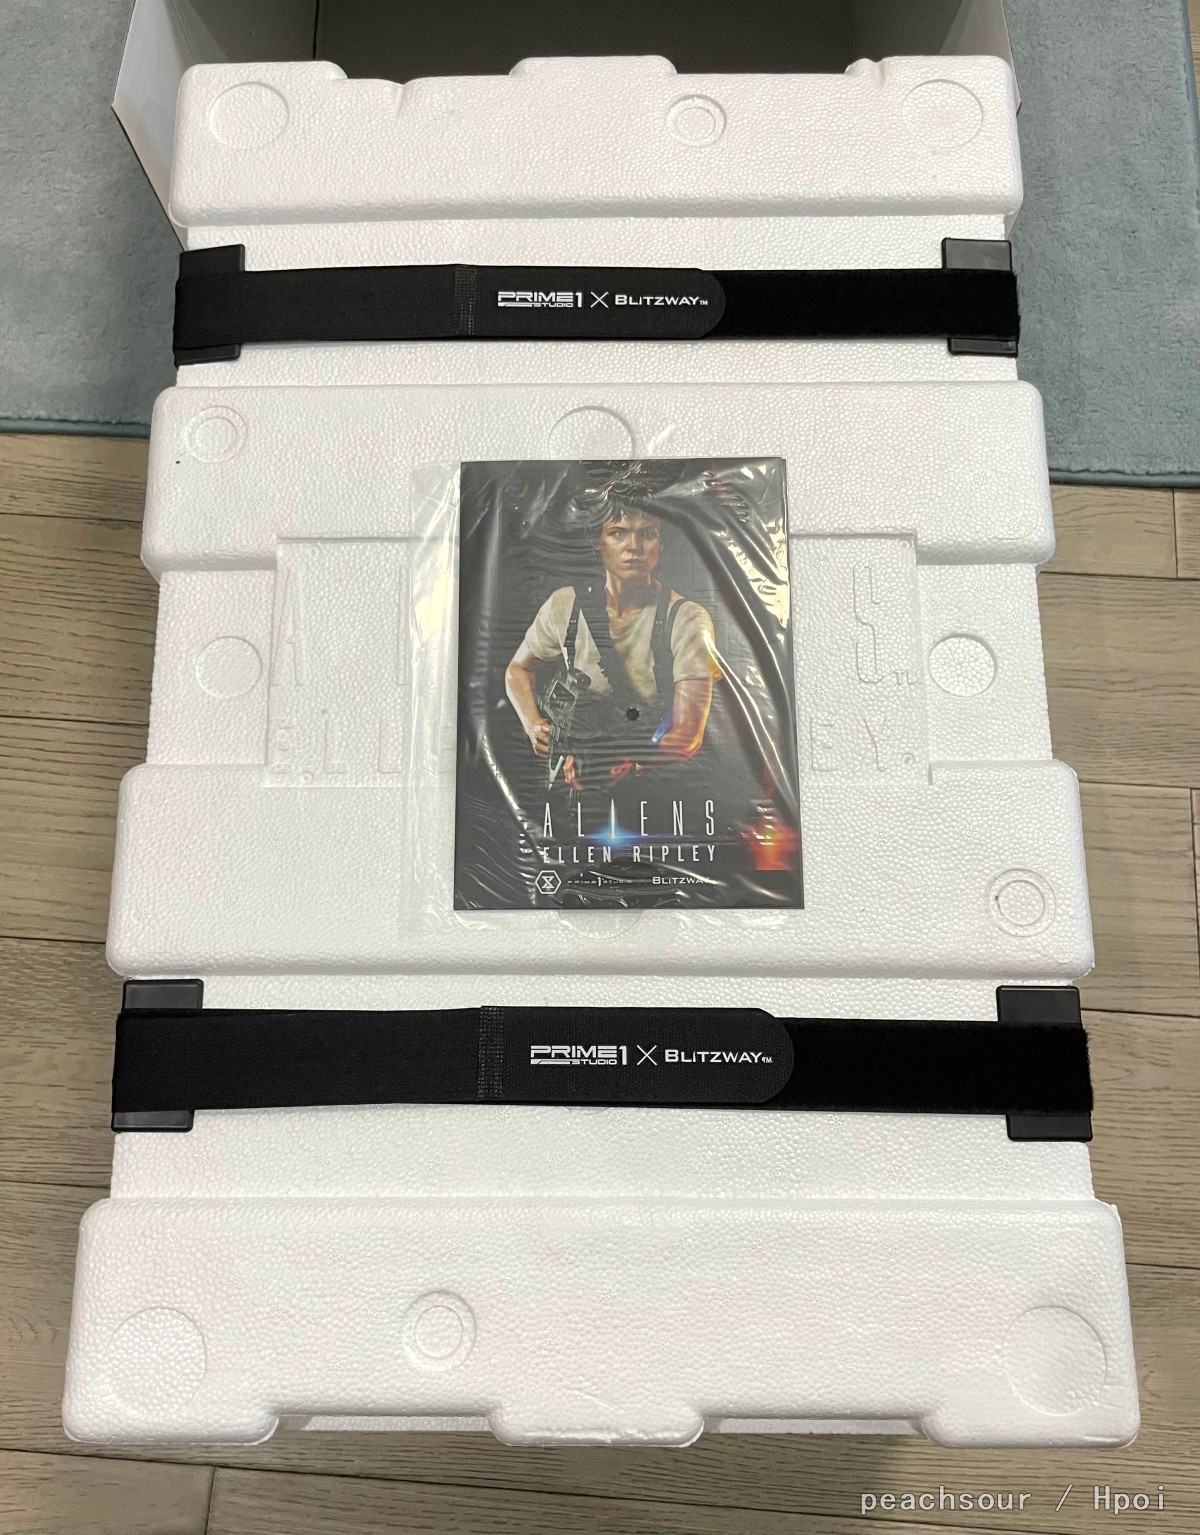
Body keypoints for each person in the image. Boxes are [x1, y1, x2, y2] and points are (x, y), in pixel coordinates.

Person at [504, 504, 719, 794]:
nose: (634, 547)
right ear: (598, 541)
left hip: (652, 780)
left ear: (660, 544)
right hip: (571, 766)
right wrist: (533, 724)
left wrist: (623, 759)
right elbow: (517, 670)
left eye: (647, 534)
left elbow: (687, 737)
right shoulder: (565, 605)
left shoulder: (686, 619)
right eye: (618, 533)